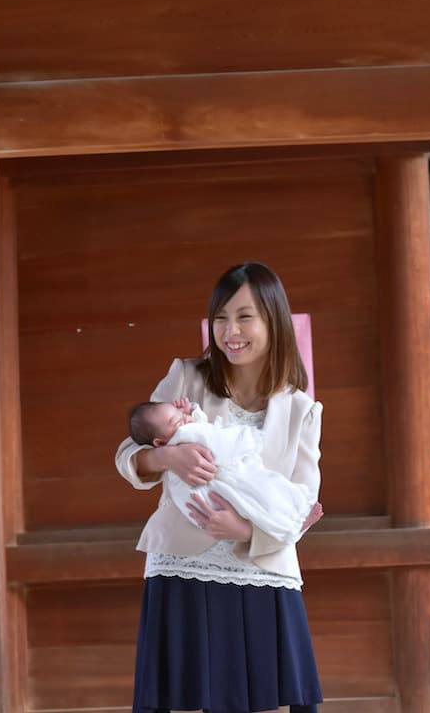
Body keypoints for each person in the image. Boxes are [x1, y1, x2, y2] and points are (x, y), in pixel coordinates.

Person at [116, 262, 324, 713]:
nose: (231, 331)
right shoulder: (186, 376)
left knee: (274, 703)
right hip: (181, 566)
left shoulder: (302, 408)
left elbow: (301, 502)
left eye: (245, 316)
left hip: (263, 569)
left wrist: (246, 530)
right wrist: (168, 456)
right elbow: (127, 455)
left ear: (274, 320)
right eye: (221, 317)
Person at [127, 397, 317, 544]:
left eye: (180, 413)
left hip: (254, 552)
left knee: (259, 502)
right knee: (264, 499)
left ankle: (289, 526)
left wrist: (188, 413)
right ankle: (291, 522)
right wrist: (165, 456)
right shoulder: (182, 432)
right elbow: (213, 439)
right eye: (177, 421)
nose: (184, 419)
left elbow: (200, 428)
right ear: (159, 443)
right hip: (215, 492)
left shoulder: (303, 406)